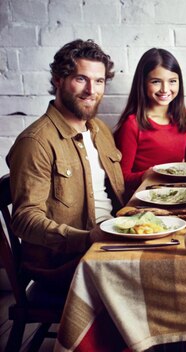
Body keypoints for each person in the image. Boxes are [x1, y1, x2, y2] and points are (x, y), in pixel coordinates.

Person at [6, 39, 124, 290]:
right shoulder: (35, 142)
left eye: (99, 81)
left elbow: (112, 193)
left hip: (108, 243)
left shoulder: (99, 130)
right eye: (81, 79)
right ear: (58, 79)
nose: (92, 90)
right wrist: (86, 239)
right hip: (65, 263)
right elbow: (24, 219)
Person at [115, 48, 186, 194]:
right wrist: (147, 175)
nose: (165, 89)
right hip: (143, 198)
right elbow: (120, 178)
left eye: (172, 81)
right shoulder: (132, 124)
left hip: (177, 195)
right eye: (156, 82)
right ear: (143, 83)